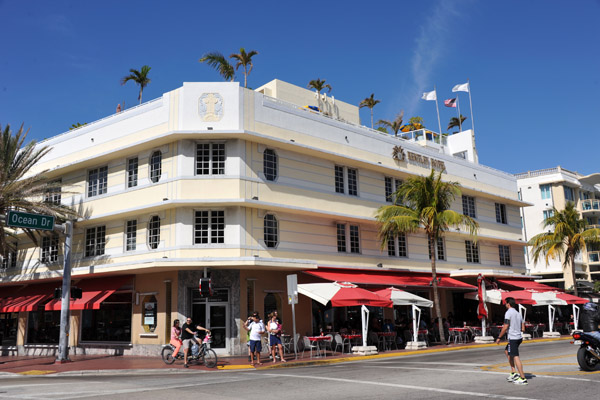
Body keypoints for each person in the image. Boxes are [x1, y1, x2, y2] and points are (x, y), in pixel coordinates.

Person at [495, 297, 527, 385]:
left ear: (508, 304)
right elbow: (523, 328)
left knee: (515, 356)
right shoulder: (518, 313)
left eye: (505, 303)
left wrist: (499, 337)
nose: (505, 305)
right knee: (507, 351)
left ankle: (523, 378)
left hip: (513, 338)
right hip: (518, 337)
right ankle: (514, 372)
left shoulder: (508, 313)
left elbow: (505, 326)